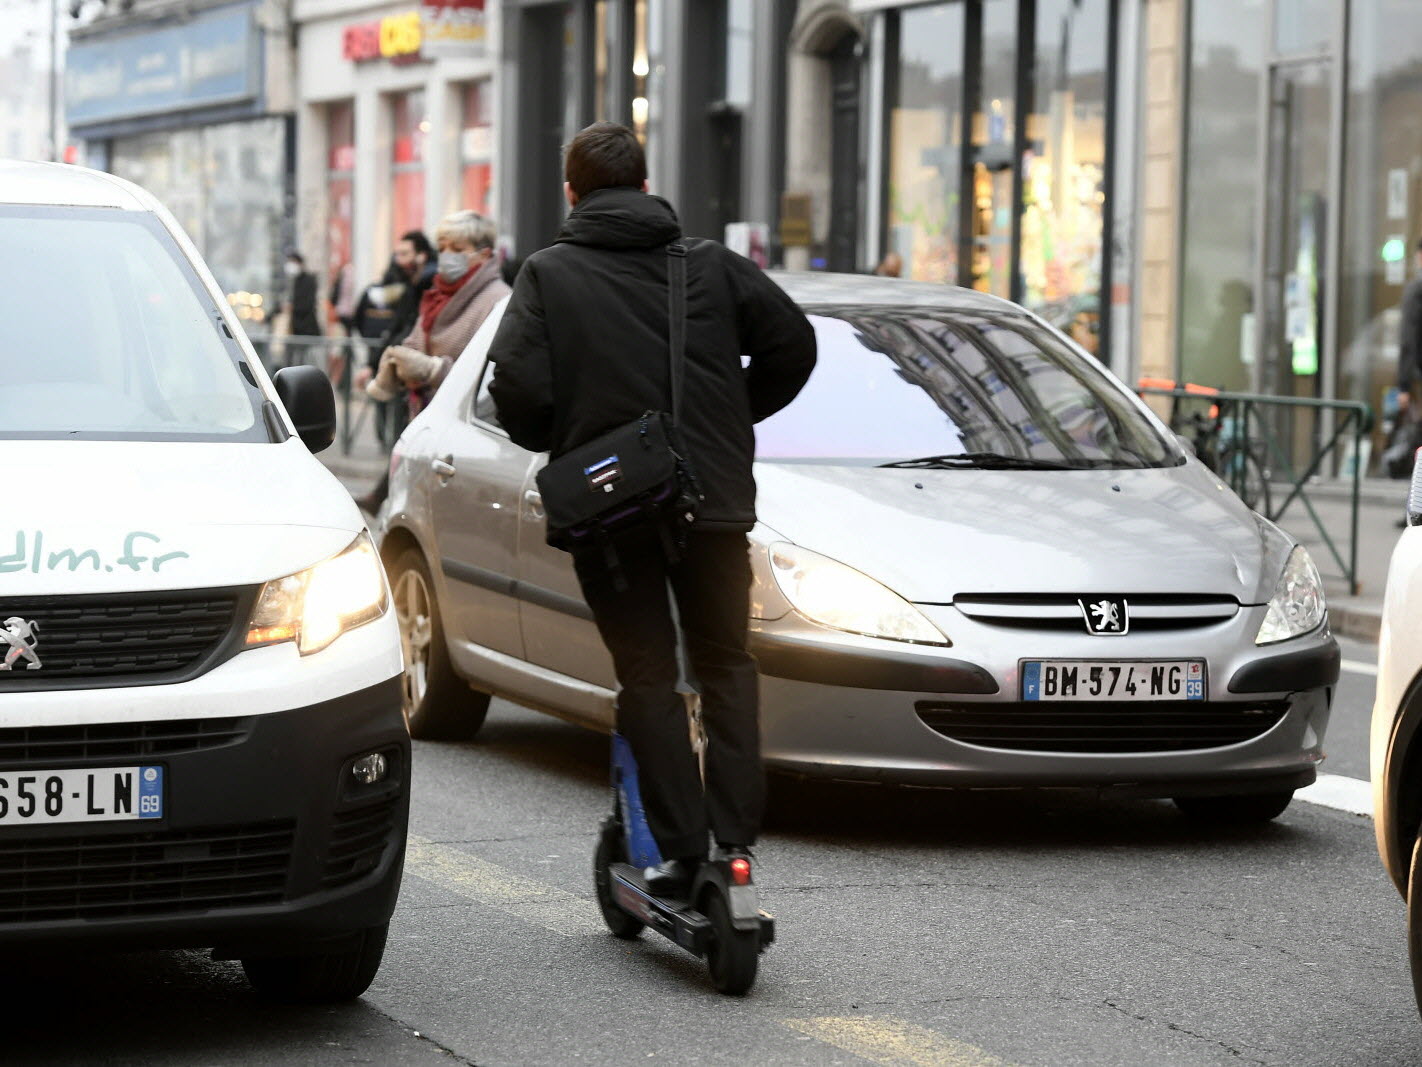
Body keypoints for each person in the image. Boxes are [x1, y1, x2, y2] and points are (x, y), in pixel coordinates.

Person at [487, 122, 817, 896]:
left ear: (572, 192)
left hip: (615, 511)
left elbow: (520, 393)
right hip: (715, 500)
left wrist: (565, 438)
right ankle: (735, 841)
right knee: (728, 663)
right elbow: (794, 345)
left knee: (647, 675)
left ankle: (679, 848)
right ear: (644, 183)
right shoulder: (710, 265)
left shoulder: (549, 273)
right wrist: (729, 418)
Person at [357, 213, 508, 514]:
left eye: (457, 248)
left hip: (465, 436)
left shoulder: (498, 300)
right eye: (443, 247)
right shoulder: (437, 295)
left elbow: (489, 377)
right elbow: (418, 338)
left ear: (484, 254)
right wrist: (401, 359)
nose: (447, 256)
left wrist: (432, 369)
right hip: (424, 421)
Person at [281, 252, 322, 365]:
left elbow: (307, 303)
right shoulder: (292, 281)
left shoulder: (308, 280)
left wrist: (292, 307)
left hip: (306, 328)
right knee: (291, 359)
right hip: (293, 329)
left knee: (305, 360)